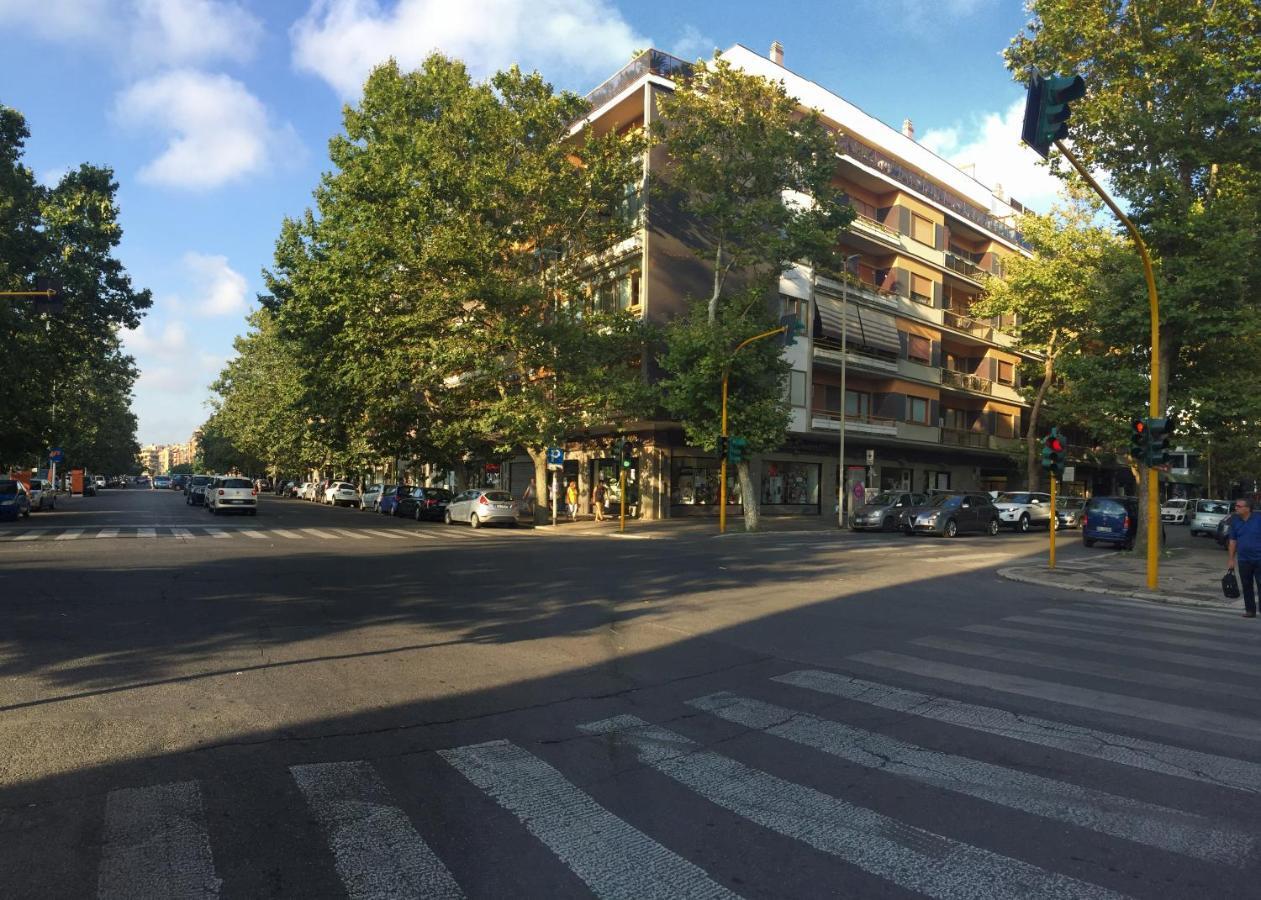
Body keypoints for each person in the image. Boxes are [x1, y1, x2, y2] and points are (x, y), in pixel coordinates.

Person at [1227, 498, 1261, 618]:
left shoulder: (1259, 518)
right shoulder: (1235, 521)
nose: (1236, 508)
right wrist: (1231, 559)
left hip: (1259, 559)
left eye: (1239, 506)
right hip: (1243, 559)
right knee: (1246, 585)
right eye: (1236, 506)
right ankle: (1250, 610)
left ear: (1247, 508)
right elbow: (1232, 541)